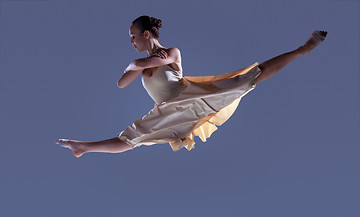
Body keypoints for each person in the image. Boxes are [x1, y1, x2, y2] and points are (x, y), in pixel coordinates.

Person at [55, 15, 327, 158]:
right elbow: (121, 82)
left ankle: (303, 49)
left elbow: (140, 66)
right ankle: (84, 147)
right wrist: (133, 65)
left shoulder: (171, 52)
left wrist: (135, 64)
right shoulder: (143, 60)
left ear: (146, 34)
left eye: (133, 37)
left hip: (193, 98)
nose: (131, 41)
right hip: (167, 111)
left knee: (251, 77)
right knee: (131, 139)